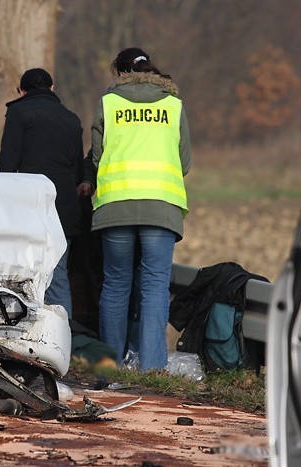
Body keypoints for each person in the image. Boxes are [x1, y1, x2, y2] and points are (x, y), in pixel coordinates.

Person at [86, 48, 191, 370]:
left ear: (119, 73)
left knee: (116, 284)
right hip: (161, 207)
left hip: (115, 207)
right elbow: (184, 162)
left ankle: (109, 367)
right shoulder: (173, 106)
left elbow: (95, 158)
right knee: (155, 286)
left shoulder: (109, 103)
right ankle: (152, 367)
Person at [0, 68, 84, 318]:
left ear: (22, 92)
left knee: (24, 276)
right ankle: (62, 342)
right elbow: (77, 171)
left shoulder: (18, 112)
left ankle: (30, 338)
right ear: (52, 88)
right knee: (58, 276)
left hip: (28, 206)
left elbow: (7, 165)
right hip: (64, 208)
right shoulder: (71, 118)